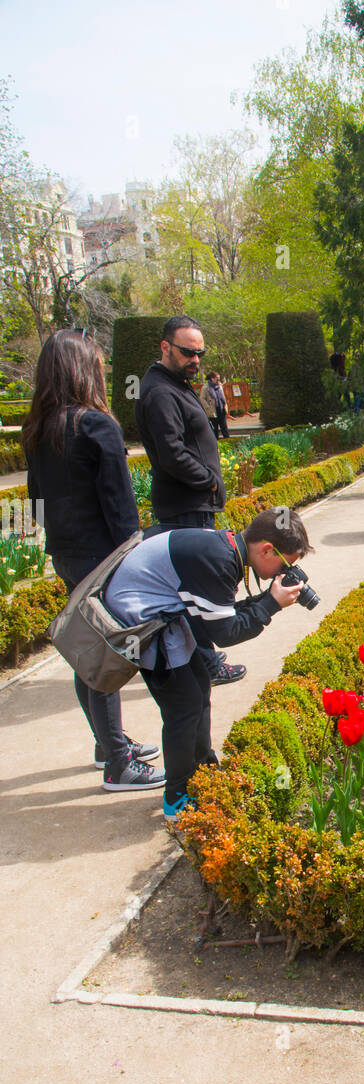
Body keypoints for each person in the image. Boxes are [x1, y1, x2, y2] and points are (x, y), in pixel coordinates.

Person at [24, 328, 164, 793]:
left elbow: (35, 500)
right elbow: (120, 505)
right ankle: (118, 764)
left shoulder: (39, 429)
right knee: (104, 655)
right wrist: (136, 558)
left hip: (66, 553)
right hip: (103, 557)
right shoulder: (95, 425)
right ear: (84, 370)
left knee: (87, 651)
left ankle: (109, 744)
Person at [104, 507, 310, 819]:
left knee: (199, 691)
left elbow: (221, 614)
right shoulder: (218, 560)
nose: (284, 573)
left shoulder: (225, 548)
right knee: (184, 707)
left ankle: (203, 771)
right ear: (266, 549)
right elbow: (226, 633)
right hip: (141, 621)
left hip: (164, 612)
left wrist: (264, 600)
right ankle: (177, 797)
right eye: (286, 565)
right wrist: (271, 604)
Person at [136, 316, 243, 687]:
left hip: (192, 502)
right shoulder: (159, 392)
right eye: (187, 352)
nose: (195, 359)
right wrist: (210, 482)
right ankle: (206, 666)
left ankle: (204, 656)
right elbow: (171, 454)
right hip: (185, 505)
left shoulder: (174, 383)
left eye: (200, 352)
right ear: (165, 347)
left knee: (193, 588)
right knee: (195, 590)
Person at [202, 372, 230, 440]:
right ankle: (216, 445)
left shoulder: (219, 386)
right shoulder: (205, 387)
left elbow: (222, 397)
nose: (218, 380)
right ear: (212, 379)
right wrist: (208, 408)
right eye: (217, 379)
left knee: (224, 428)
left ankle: (228, 442)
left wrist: (225, 405)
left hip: (221, 409)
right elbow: (202, 399)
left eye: (219, 379)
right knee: (214, 429)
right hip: (212, 411)